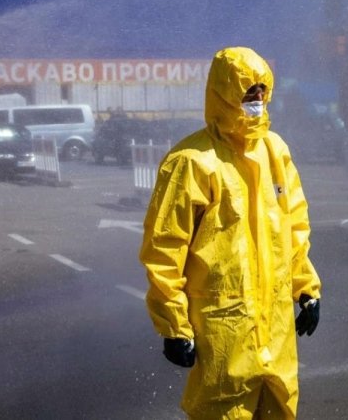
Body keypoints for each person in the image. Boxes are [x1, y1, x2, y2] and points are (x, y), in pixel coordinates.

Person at [140, 47, 322, 419]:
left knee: (279, 410)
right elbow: (164, 249)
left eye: (261, 90)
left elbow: (294, 226)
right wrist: (174, 326)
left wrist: (306, 288)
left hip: (275, 329)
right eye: (247, 91)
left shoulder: (274, 151)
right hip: (224, 330)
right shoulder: (191, 161)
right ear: (223, 94)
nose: (257, 99)